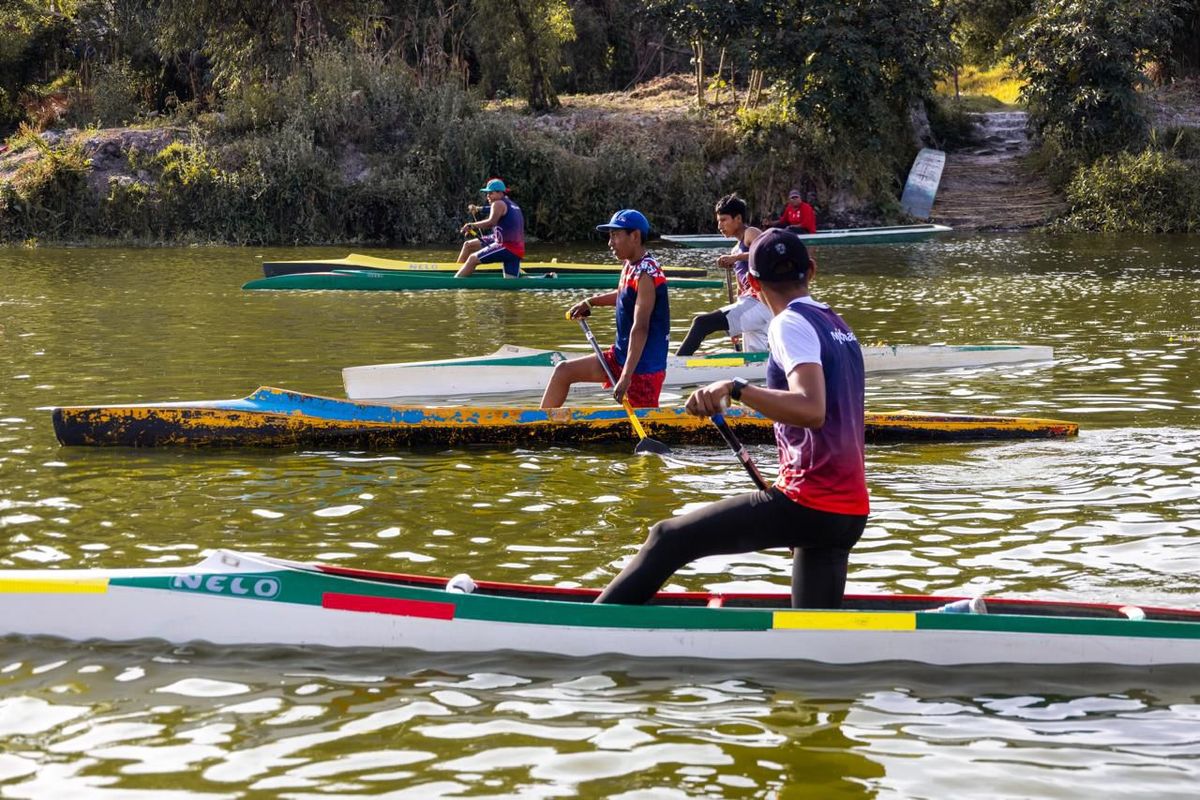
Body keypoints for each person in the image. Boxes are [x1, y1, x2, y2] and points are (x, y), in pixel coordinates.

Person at [596, 228, 868, 609]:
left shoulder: (788, 323)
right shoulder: (838, 324)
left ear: (752, 282)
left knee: (667, 538)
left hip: (810, 503)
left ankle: (582, 630)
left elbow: (812, 410)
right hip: (848, 511)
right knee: (811, 636)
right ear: (812, 270)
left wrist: (736, 388)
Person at [540, 209, 669, 409]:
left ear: (634, 236)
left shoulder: (647, 273)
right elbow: (625, 296)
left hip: (642, 370)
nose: (610, 243)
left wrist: (626, 377)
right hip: (620, 357)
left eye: (615, 236)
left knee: (644, 427)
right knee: (563, 371)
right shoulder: (630, 264)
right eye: (610, 236)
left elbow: (640, 327)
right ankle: (541, 426)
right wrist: (590, 302)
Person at [676, 194, 772, 355]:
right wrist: (734, 325)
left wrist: (735, 258)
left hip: (762, 303)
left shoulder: (751, 233)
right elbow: (741, 288)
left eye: (724, 220)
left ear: (738, 218)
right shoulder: (735, 249)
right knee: (754, 357)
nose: (719, 225)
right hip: (750, 305)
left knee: (701, 323)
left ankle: (673, 368)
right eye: (718, 221)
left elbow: (766, 253)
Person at [455, 178, 525, 278]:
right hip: (517, 250)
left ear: (500, 193)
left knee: (472, 259)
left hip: (506, 246)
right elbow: (491, 209)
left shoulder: (498, 203)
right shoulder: (511, 204)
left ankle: (455, 283)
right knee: (510, 284)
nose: (488, 196)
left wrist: (472, 225)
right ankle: (460, 270)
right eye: (487, 193)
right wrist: (478, 209)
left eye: (490, 193)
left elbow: (491, 222)